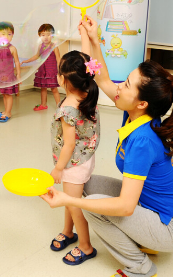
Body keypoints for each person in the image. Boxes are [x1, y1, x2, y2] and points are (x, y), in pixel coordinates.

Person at [41, 15, 173, 277]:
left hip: (164, 227)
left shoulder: (142, 141)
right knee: (86, 188)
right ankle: (141, 238)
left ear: (142, 102)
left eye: (125, 85)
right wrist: (93, 37)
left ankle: (139, 266)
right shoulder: (135, 112)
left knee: (91, 206)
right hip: (147, 208)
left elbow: (124, 207)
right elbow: (101, 78)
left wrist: (67, 199)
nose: (117, 87)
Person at [49, 31, 100, 265]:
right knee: (69, 199)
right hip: (86, 157)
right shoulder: (89, 91)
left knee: (73, 203)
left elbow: (68, 144)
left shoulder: (67, 109)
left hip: (72, 162)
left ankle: (86, 246)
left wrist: (59, 168)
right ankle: (68, 232)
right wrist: (85, 36)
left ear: (63, 80)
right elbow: (88, 60)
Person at [21, 24, 61, 111]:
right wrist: (27, 61)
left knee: (54, 89)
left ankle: (59, 106)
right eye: (43, 35)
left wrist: (60, 72)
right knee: (43, 88)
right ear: (39, 36)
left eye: (48, 35)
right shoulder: (40, 46)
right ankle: (43, 104)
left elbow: (58, 60)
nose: (45, 37)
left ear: (52, 36)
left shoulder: (54, 47)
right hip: (43, 70)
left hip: (52, 71)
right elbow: (37, 56)